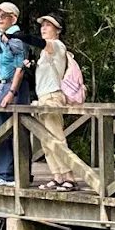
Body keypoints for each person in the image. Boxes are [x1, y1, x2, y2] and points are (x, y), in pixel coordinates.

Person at [0, 2, 31, 186]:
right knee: (1, 129)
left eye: (3, 15)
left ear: (13, 18)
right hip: (0, 86)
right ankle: (3, 170)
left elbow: (20, 68)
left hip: (15, 87)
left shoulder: (18, 39)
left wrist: (12, 92)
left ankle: (18, 172)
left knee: (17, 129)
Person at [32, 14, 77, 191]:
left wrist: (19, 36)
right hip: (43, 97)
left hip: (52, 97)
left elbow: (42, 43)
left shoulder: (57, 45)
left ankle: (69, 177)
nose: (43, 28)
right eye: (42, 25)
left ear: (58, 30)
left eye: (48, 25)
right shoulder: (44, 53)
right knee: (46, 141)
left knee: (57, 138)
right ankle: (57, 176)